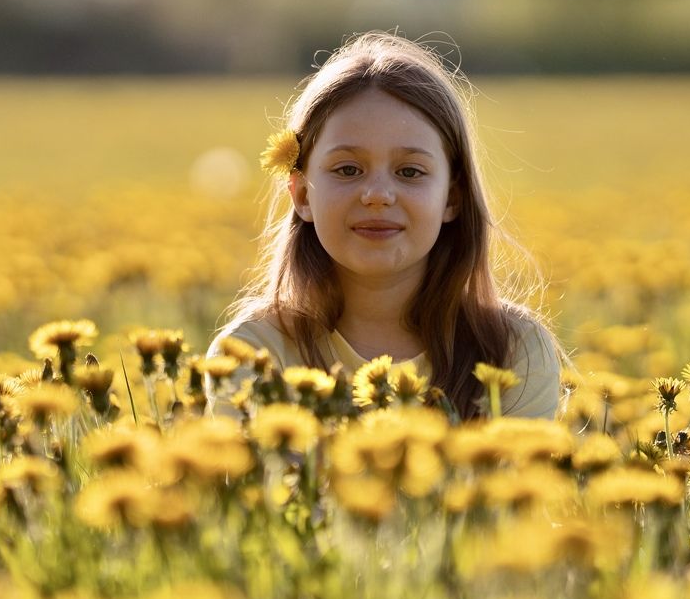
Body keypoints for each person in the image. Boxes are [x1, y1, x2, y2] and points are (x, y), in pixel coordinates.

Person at [208, 31, 561, 421]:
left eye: (409, 171)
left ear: (452, 198)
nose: (377, 194)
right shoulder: (251, 353)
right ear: (303, 195)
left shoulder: (516, 351)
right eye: (348, 169)